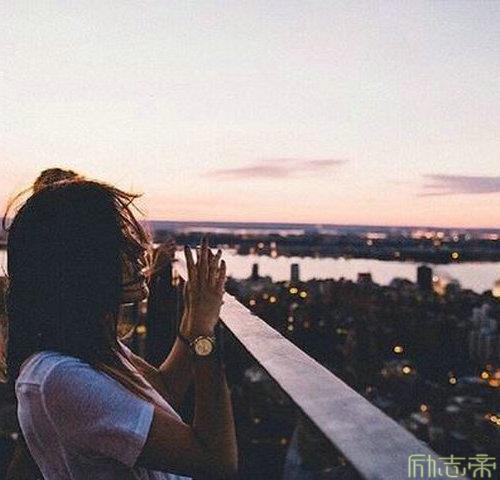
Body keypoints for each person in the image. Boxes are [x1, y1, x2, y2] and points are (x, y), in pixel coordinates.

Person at [5, 176, 238, 479]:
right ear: (80, 262)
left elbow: (164, 389)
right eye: (120, 243)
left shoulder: (88, 349)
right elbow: (217, 461)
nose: (140, 250)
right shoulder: (59, 378)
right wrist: (203, 337)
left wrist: (193, 322)